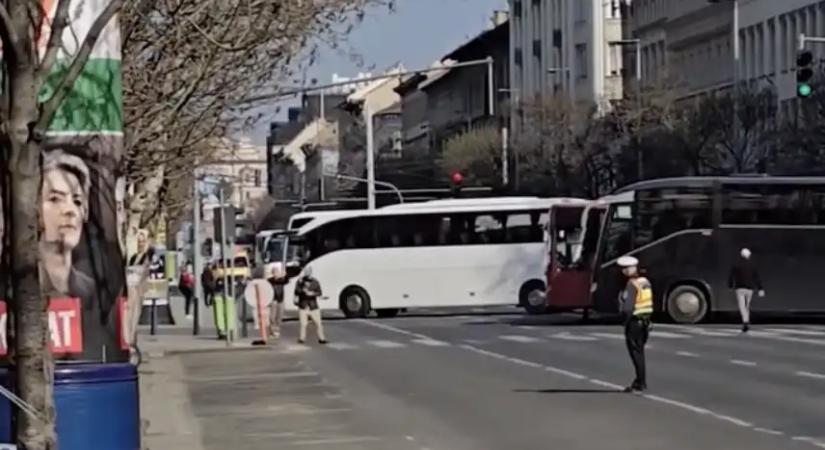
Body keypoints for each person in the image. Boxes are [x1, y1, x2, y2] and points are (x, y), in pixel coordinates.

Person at [39, 150, 96, 300]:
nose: (70, 210)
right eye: (55, 199)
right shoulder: (12, 289)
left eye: (77, 201)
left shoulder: (95, 292)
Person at [617, 255, 653, 393]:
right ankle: (639, 380)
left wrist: (623, 322)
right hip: (645, 322)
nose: (622, 272)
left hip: (634, 322)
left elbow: (628, 307)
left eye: (624, 269)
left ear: (628, 270)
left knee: (636, 354)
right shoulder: (645, 282)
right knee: (640, 352)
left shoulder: (631, 284)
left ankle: (640, 382)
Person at [728, 248, 764, 333]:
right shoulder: (753, 265)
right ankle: (746, 320)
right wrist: (760, 288)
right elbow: (757, 278)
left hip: (740, 288)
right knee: (747, 306)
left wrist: (730, 286)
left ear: (741, 255)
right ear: (749, 255)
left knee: (742, 306)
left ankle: (745, 322)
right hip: (750, 289)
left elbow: (731, 277)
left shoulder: (736, 264)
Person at [294, 266, 327, 345]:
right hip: (303, 305)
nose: (307, 273)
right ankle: (302, 338)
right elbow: (296, 291)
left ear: (311, 272)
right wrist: (302, 290)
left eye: (308, 271)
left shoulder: (315, 282)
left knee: (318, 323)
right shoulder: (300, 281)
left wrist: (312, 293)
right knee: (303, 323)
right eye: (306, 271)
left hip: (313, 305)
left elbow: (319, 292)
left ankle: (321, 338)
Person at [266, 262, 287, 339]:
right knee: (272, 317)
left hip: (280, 299)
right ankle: (272, 331)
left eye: (277, 271)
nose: (276, 273)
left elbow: (286, 280)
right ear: (272, 273)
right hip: (273, 300)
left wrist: (285, 274)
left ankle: (277, 330)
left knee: (280, 316)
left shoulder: (282, 280)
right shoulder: (270, 280)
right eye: (275, 272)